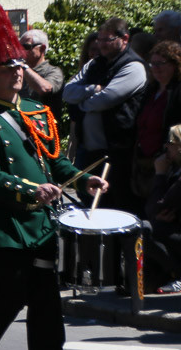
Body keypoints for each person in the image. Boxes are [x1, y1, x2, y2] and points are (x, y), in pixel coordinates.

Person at [0, 2, 108, 350]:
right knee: (3, 306)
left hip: (41, 226)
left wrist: (82, 178)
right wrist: (29, 191)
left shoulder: (37, 112)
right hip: (4, 229)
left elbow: (53, 161)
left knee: (46, 309)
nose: (18, 72)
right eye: (8, 68)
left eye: (19, 65)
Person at [63, 17, 146, 214]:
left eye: (107, 40)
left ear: (124, 38)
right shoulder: (94, 64)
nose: (101, 45)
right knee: (89, 204)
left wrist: (83, 101)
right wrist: (94, 88)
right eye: (99, 40)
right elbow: (68, 92)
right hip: (89, 151)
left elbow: (105, 100)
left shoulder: (133, 67)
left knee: (117, 208)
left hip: (116, 153)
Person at [133, 41, 181, 205]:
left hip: (166, 163)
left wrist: (169, 154)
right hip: (143, 163)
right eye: (152, 64)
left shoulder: (177, 92)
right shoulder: (150, 90)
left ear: (175, 64)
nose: (156, 68)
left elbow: (177, 128)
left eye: (161, 63)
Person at [144, 125, 181, 294]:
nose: (166, 147)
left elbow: (157, 207)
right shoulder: (172, 168)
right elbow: (153, 208)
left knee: (149, 229)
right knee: (148, 226)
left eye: (170, 142)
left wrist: (159, 175)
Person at [18, 29, 65, 121]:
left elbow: (45, 88)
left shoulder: (54, 71)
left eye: (26, 47)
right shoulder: (18, 71)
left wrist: (23, 66)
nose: (21, 51)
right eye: (19, 47)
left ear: (42, 48)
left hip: (45, 128)